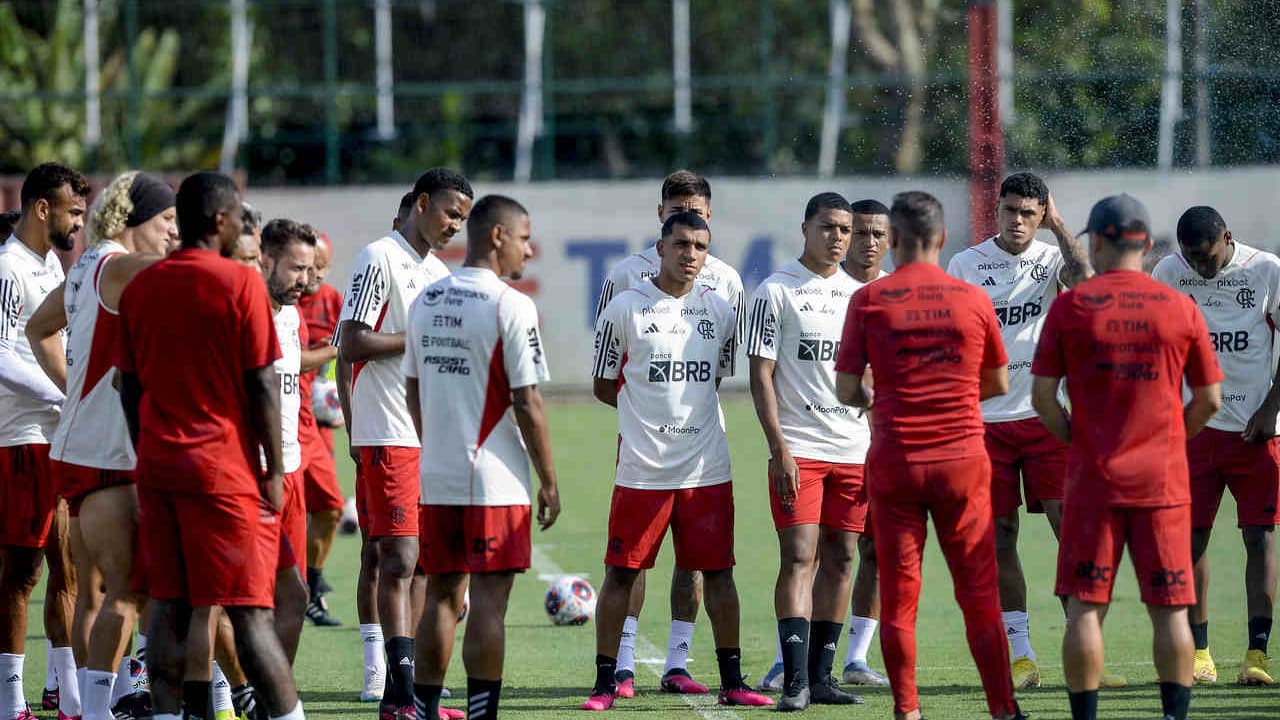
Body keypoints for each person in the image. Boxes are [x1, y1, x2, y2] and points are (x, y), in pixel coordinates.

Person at [117, 171, 304, 720]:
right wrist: (271, 469)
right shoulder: (240, 284)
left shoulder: (142, 286)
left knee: (170, 608)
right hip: (222, 470)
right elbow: (262, 381)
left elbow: (128, 385)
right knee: (248, 611)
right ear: (221, 220)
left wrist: (144, 450)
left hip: (158, 467)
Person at [1032, 194, 1222, 720]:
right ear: (1147, 241)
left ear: (1095, 240)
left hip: (1093, 479)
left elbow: (1042, 398)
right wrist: (1169, 439)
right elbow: (1209, 400)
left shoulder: (1073, 306)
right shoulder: (1178, 306)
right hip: (1161, 481)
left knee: (1085, 611)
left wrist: (1077, 440)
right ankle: (1173, 717)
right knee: (1170, 612)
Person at [835, 191, 1023, 720]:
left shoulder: (869, 300)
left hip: (896, 459)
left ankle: (908, 710)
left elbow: (847, 388)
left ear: (892, 240)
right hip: (963, 458)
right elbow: (998, 382)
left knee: (899, 596)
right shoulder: (972, 298)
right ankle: (1003, 709)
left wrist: (883, 396)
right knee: (979, 592)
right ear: (943, 239)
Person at [583, 211, 771, 712]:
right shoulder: (625, 306)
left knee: (719, 573)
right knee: (621, 573)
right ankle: (605, 683)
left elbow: (722, 377)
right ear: (661, 247)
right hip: (643, 471)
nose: (691, 254)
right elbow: (604, 385)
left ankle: (733, 680)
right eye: (682, 244)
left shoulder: (721, 309)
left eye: (701, 246)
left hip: (707, 468)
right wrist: (645, 418)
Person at [25, 171, 176, 720]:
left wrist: (72, 388)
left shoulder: (87, 262)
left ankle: (95, 707)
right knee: (129, 594)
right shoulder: (118, 265)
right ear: (136, 221)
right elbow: (185, 270)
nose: (173, 234)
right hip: (111, 451)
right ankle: (101, 710)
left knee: (92, 594)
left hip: (75, 445)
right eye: (166, 221)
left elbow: (38, 327)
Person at [404, 195, 560, 720]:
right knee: (490, 601)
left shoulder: (425, 300)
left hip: (437, 473)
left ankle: (423, 710)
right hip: (494, 482)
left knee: (441, 598)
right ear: (497, 237)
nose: (529, 250)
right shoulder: (510, 304)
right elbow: (528, 401)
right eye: (523, 237)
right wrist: (549, 480)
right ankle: (481, 714)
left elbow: (411, 388)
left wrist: (437, 447)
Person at [945, 171, 1095, 689]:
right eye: (1010, 211)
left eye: (1029, 213)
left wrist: (1058, 226)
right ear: (998, 211)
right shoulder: (966, 264)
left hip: (1047, 415)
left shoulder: (1054, 258)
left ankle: (1084, 648)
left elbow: (1088, 282)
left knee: (1068, 528)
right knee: (1000, 535)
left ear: (1041, 215)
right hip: (986, 423)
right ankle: (1022, 653)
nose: (1017, 221)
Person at [335, 169, 473, 714]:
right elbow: (351, 342)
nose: (454, 225)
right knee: (400, 559)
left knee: (428, 564)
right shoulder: (379, 257)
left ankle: (403, 697)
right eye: (448, 213)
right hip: (387, 430)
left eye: (462, 218)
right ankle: (405, 689)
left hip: (427, 435)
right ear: (420, 203)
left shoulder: (439, 273)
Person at [746, 193, 883, 710]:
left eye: (846, 229)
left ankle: (824, 677)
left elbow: (871, 377)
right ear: (805, 228)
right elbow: (759, 376)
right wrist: (777, 447)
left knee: (844, 558)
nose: (839, 237)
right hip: (799, 448)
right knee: (800, 556)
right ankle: (795, 679)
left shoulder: (862, 296)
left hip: (854, 449)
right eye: (828, 227)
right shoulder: (775, 292)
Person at [1152, 205, 1280, 686]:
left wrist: (1270, 409)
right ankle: (1199, 651)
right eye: (1191, 260)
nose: (1199, 269)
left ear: (1227, 237)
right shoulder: (1170, 272)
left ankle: (1256, 653)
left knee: (1259, 536)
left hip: (1256, 430)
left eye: (1205, 258)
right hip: (1194, 431)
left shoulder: (1266, 269)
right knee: (1191, 538)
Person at [0, 162, 87, 720]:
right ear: (41, 209)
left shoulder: (50, 262)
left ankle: (67, 692)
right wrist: (64, 394)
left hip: (58, 435)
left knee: (71, 567)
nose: (79, 223)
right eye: (73, 212)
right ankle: (10, 701)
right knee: (21, 572)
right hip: (21, 436)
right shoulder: (8, 267)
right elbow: (2, 353)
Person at [295, 231, 344, 626]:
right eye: (308, 266)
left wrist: (339, 401)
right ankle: (295, 593)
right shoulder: (277, 298)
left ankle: (311, 582)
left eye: (321, 267)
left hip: (313, 423)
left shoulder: (331, 301)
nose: (313, 274)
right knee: (287, 516)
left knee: (330, 509)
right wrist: (329, 353)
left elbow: (347, 357)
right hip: (282, 421)